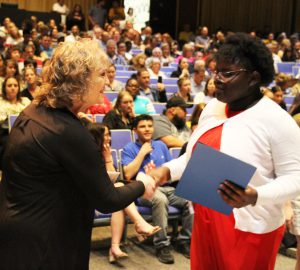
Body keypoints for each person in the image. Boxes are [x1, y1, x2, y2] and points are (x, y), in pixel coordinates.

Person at [147, 33, 300, 270]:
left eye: (227, 73)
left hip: (250, 228)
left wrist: (255, 195)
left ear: (253, 78)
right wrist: (167, 170)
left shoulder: (277, 120)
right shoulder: (212, 108)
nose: (216, 79)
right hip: (206, 219)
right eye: (215, 71)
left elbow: (296, 177)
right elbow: (193, 159)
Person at [0, 40, 156, 270]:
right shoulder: (69, 132)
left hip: (17, 233)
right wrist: (143, 184)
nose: (106, 82)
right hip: (46, 244)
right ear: (80, 81)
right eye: (101, 75)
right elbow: (107, 199)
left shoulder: (33, 111)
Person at [121, 114, 193, 264]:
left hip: (166, 188)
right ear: (135, 130)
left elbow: (170, 169)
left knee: (190, 198)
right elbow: (128, 174)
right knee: (160, 200)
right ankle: (162, 245)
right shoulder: (130, 148)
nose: (147, 129)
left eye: (150, 126)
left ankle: (184, 240)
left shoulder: (160, 145)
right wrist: (142, 153)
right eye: (142, 126)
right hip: (142, 192)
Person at [84, 122, 160, 263]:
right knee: (119, 189)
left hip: (105, 195)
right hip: (88, 197)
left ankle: (114, 247)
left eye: (109, 135)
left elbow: (111, 179)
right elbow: (105, 181)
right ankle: (139, 223)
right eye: (105, 135)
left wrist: (107, 158)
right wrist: (107, 159)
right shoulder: (88, 154)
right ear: (96, 136)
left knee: (118, 201)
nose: (108, 138)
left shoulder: (104, 152)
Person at [0, 76, 31, 169]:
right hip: (5, 134)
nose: (13, 88)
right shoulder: (1, 103)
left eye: (15, 85)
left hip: (26, 132)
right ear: (4, 88)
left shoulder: (25, 101)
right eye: (9, 85)